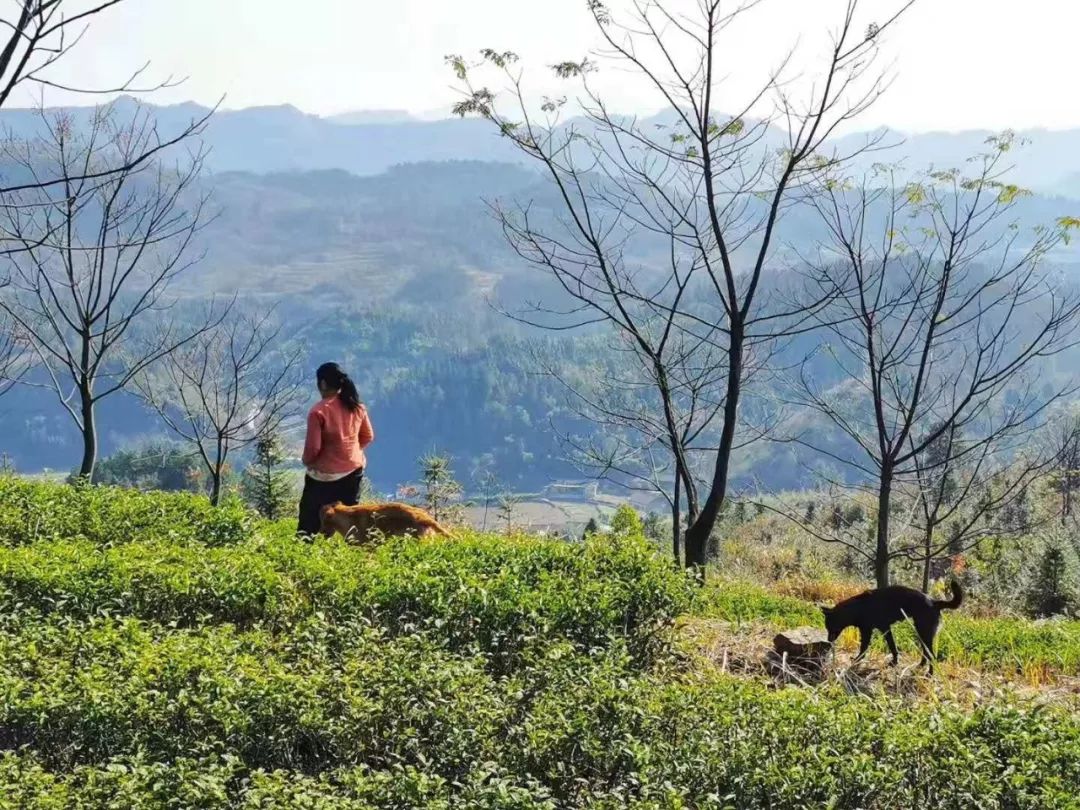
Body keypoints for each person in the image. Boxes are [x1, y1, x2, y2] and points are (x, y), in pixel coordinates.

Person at [297, 362, 375, 536]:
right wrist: (348, 452)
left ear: (322, 384)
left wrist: (307, 461)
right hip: (353, 472)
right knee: (351, 519)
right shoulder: (356, 406)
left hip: (323, 478)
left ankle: (303, 552)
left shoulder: (318, 412)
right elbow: (367, 436)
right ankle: (355, 553)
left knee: (308, 522)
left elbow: (313, 449)